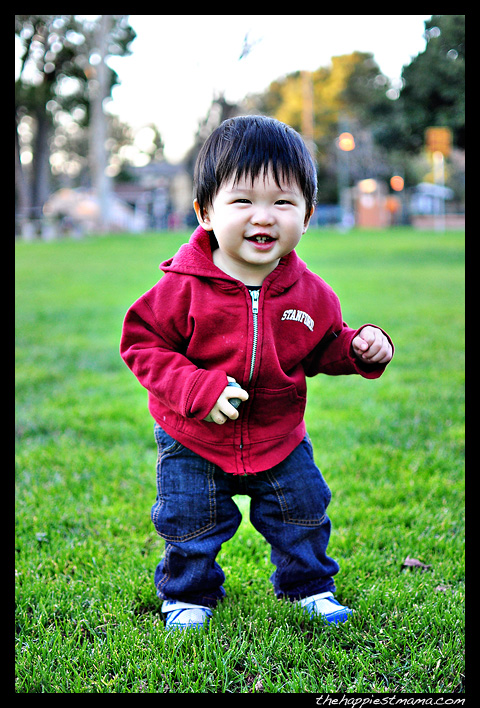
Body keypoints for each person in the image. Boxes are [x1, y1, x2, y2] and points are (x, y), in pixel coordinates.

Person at [120, 116, 393, 631]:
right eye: (243, 200)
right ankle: (188, 594)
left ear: (307, 216)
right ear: (206, 212)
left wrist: (358, 348)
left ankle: (309, 587)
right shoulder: (182, 287)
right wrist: (196, 388)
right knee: (189, 519)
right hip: (194, 436)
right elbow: (143, 343)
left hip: (278, 434)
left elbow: (324, 345)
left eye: (283, 202)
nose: (263, 217)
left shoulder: (310, 292)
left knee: (302, 512)